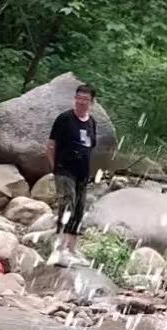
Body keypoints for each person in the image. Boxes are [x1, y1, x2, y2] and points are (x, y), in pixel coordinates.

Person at [47, 84, 98, 254]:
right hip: (64, 169)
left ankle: (72, 248)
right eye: (79, 98)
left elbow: (90, 146)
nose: (81, 102)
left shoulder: (91, 122)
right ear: (75, 99)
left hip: (82, 173)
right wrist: (54, 168)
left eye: (86, 99)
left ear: (92, 102)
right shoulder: (65, 119)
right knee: (67, 203)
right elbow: (51, 144)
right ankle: (59, 246)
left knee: (79, 209)